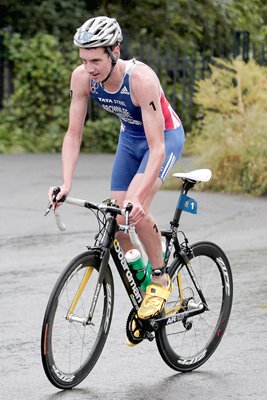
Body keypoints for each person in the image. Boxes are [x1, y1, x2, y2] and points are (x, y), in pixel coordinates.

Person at [49, 16, 185, 325]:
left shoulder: (141, 79)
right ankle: (143, 276)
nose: (89, 68)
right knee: (115, 215)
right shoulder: (82, 78)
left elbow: (157, 146)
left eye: (95, 60)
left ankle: (160, 279)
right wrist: (66, 183)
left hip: (163, 138)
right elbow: (73, 134)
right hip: (129, 139)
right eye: (83, 60)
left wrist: (138, 198)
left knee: (132, 211)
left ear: (115, 50)